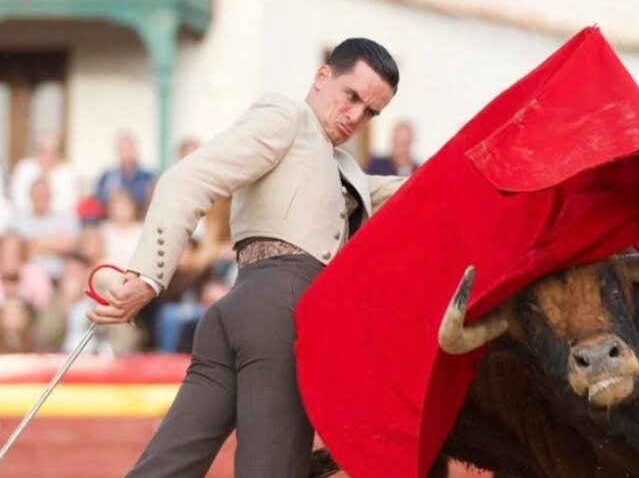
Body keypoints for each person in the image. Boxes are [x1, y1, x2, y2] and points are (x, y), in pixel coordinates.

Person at [87, 38, 406, 477]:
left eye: (371, 112)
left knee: (164, 470)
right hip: (281, 316)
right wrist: (148, 276)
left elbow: (412, 193)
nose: (356, 116)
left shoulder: (342, 169)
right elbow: (185, 179)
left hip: (237, 313)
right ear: (322, 77)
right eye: (352, 96)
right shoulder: (286, 116)